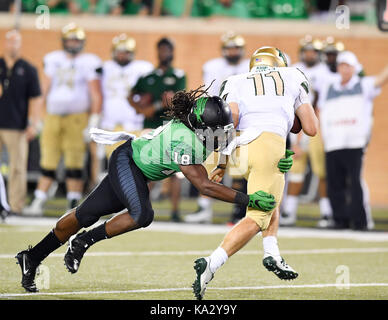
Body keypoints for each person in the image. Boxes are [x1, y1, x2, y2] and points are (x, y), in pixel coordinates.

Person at [15, 86, 279, 293]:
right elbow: (204, 185)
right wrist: (248, 199)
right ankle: (84, 241)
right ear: (202, 127)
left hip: (136, 170)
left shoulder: (201, 127)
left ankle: (32, 256)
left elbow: (232, 144)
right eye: (218, 130)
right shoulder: (183, 140)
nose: (223, 133)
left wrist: (275, 156)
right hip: (128, 161)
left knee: (84, 215)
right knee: (142, 214)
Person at [192, 46, 319, 300]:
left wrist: (223, 163)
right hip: (267, 145)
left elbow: (231, 119)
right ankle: (212, 263)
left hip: (239, 150)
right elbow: (311, 128)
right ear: (278, 63)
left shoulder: (235, 79)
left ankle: (272, 252)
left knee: (271, 193)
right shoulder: (293, 75)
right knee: (260, 213)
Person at [23, 23, 102, 216]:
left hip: (77, 118)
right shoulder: (53, 59)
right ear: (64, 41)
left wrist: (93, 119)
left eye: (76, 40)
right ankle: (39, 200)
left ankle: (72, 202)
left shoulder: (89, 61)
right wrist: (37, 117)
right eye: (70, 39)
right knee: (48, 159)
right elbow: (44, 90)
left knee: (74, 161)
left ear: (82, 42)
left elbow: (95, 94)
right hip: (52, 117)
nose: (73, 43)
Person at [318, 51, 388, 230]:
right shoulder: (329, 86)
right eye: (341, 65)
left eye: (348, 65)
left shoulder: (363, 84)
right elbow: (320, 110)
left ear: (355, 68)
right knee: (335, 183)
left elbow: (381, 79)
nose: (344, 69)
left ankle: (360, 221)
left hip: (355, 142)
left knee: (355, 182)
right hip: (333, 142)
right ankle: (339, 220)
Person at [184, 31, 250, 224]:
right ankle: (204, 209)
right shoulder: (213, 67)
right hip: (217, 124)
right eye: (229, 48)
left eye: (236, 48)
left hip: (240, 122)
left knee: (239, 168)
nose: (232, 52)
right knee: (210, 166)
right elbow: (208, 96)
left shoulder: (248, 68)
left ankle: (238, 213)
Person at [129, 37, 186, 222]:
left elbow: (173, 101)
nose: (165, 54)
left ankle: (175, 211)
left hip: (172, 126)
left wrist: (151, 107)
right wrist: (140, 108)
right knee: (147, 170)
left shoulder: (178, 75)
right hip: (150, 126)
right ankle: (142, 208)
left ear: (173, 52)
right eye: (162, 50)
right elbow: (131, 95)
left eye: (167, 50)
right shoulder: (148, 76)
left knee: (177, 171)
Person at [281, 35, 332, 228]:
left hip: (317, 126)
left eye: (313, 51)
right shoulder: (293, 70)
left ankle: (326, 213)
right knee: (295, 171)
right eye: (307, 51)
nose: (310, 55)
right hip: (296, 125)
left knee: (322, 171)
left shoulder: (325, 72)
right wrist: (295, 137)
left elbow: (321, 103)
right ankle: (290, 211)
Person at [0, 30, 42, 215]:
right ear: (5, 43)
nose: (13, 45)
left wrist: (34, 123)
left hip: (17, 126)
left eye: (16, 42)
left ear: (20, 44)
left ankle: (15, 206)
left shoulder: (28, 69)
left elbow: (37, 98)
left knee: (18, 167)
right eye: (10, 41)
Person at [99, 33, 153, 159]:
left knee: (135, 163)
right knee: (113, 163)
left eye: (125, 52)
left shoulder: (143, 68)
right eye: (119, 52)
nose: (122, 55)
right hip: (111, 126)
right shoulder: (105, 68)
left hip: (134, 125)